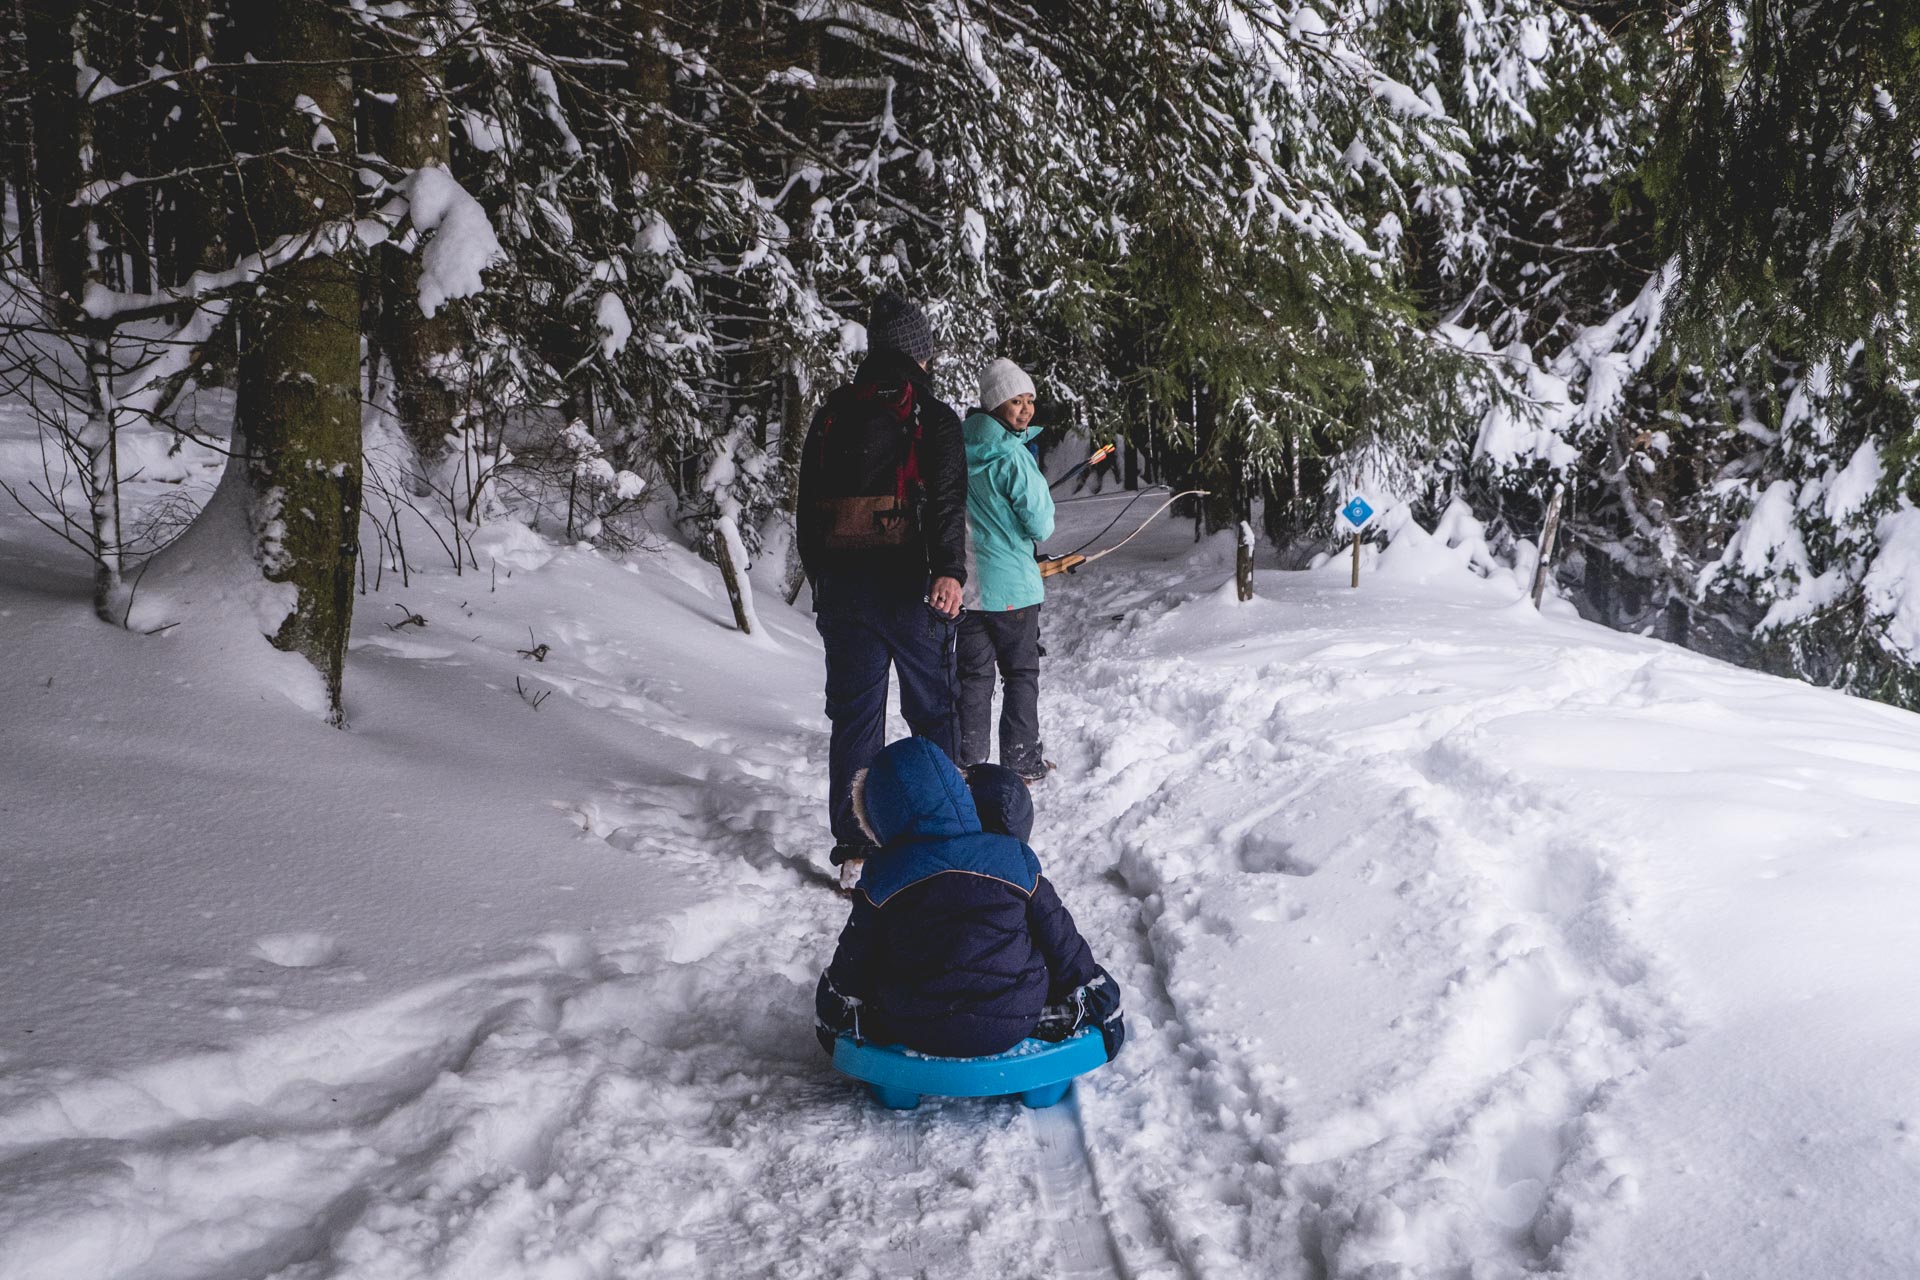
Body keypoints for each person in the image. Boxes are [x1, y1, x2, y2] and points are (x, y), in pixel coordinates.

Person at [797, 292, 969, 885]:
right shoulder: (933, 414)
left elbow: (805, 511)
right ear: (920, 353)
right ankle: (946, 842)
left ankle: (854, 854)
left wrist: (823, 579)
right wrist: (950, 569)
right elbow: (947, 501)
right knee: (934, 714)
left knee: (855, 722)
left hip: (845, 593)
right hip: (913, 588)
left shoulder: (833, 411)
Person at [814, 737, 1125, 1060]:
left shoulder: (882, 876)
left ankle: (882, 1023)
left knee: (885, 961)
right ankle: (1051, 1016)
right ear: (959, 793)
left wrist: (832, 1013)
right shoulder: (1013, 858)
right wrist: (1100, 1000)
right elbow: (1061, 941)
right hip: (1014, 1019)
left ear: (877, 818)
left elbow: (854, 958)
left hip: (913, 1025)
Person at [957, 358, 1054, 781]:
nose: (1026, 409)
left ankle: (969, 761)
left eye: (1030, 400)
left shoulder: (956, 449)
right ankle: (1020, 762)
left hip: (967, 587)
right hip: (1013, 588)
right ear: (995, 404)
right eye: (1016, 401)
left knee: (974, 676)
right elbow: (1041, 524)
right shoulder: (1012, 457)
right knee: (1020, 674)